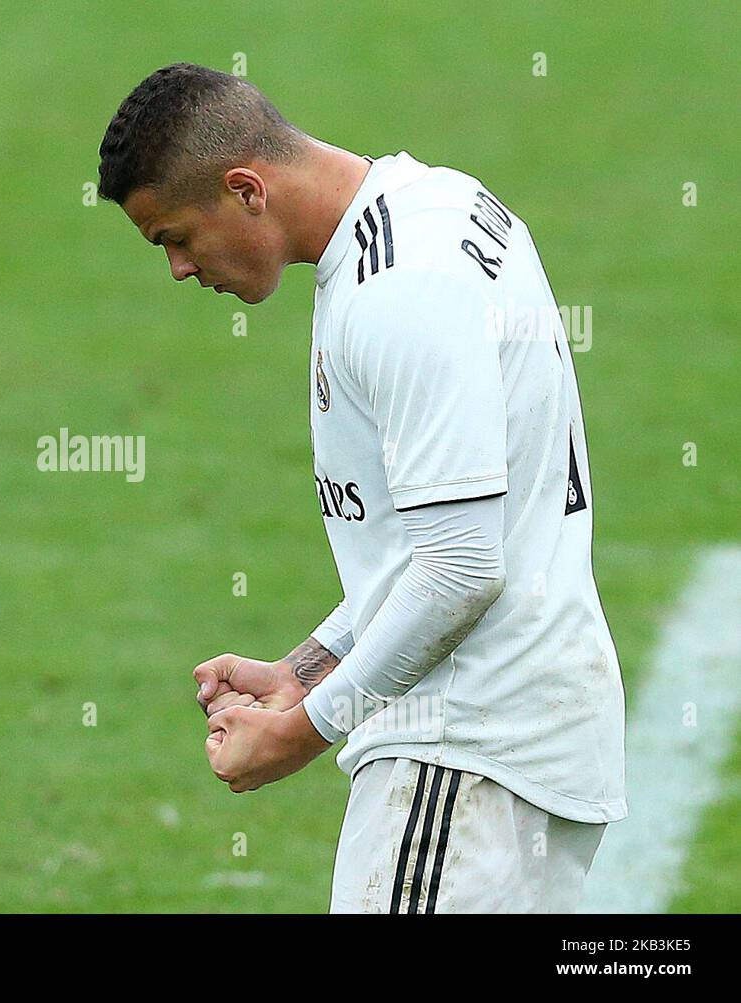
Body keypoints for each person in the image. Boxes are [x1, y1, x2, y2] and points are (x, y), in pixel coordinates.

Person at [96, 63, 626, 913]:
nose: (179, 270)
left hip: (466, 758)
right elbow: (429, 544)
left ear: (245, 189)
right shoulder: (432, 207)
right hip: (501, 751)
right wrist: (305, 670)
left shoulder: (400, 290)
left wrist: (304, 730)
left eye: (175, 236)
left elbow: (460, 568)